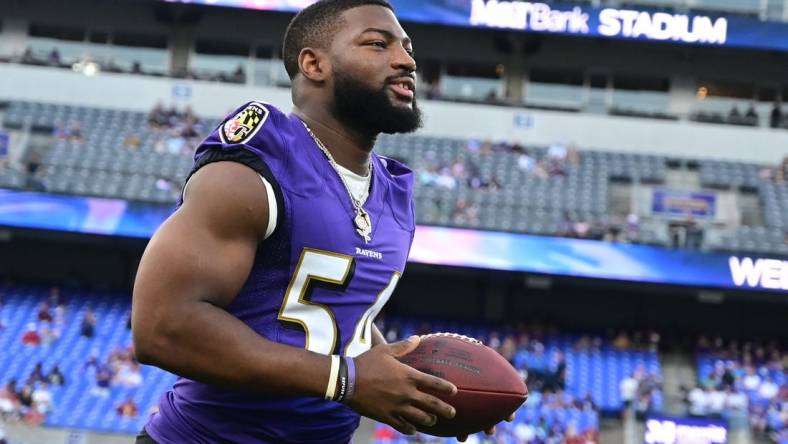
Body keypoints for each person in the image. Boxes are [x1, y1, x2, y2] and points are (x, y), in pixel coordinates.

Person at [131, 1, 510, 443]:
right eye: (377, 43)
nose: (407, 59)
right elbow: (161, 326)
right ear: (314, 64)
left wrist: (424, 388)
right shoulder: (257, 165)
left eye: (407, 47)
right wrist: (346, 380)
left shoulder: (391, 192)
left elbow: (335, 318)